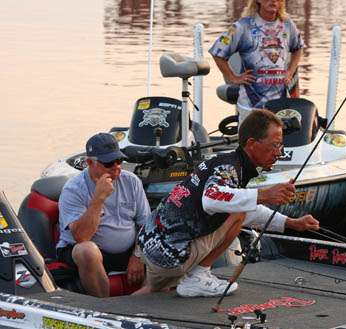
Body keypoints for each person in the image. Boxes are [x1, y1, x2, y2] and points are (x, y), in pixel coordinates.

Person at [135, 109, 319, 297]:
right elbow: (212, 199)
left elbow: (240, 204)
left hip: (153, 246)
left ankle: (113, 311)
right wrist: (263, 194)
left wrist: (291, 223)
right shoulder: (229, 168)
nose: (278, 153)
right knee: (238, 212)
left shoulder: (224, 161)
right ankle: (198, 277)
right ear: (252, 144)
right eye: (275, 145)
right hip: (172, 253)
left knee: (153, 293)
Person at [57, 133, 151, 297]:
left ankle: (151, 304)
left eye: (119, 160)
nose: (116, 167)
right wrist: (98, 199)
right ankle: (103, 306)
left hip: (128, 251)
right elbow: (81, 237)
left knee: (162, 242)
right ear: (89, 162)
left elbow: (146, 224)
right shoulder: (73, 189)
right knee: (87, 250)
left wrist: (137, 256)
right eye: (108, 163)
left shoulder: (132, 181)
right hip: (87, 251)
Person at [209, 0, 304, 123]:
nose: (274, 1)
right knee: (250, 142)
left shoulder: (288, 24)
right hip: (250, 107)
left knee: (277, 141)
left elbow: (298, 48)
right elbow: (217, 52)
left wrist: (290, 72)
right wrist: (233, 77)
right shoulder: (242, 26)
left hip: (280, 106)